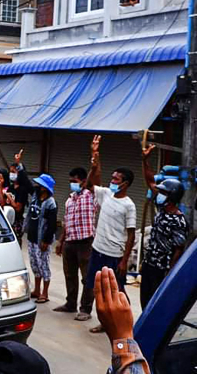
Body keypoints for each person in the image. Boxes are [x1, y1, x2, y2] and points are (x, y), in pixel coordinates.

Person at [85, 135, 136, 334]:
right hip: (98, 250)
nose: (112, 181)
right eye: (113, 178)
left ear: (126, 183)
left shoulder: (129, 205)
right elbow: (90, 184)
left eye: (116, 179)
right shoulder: (105, 194)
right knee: (99, 289)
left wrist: (124, 260)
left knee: (118, 290)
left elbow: (131, 235)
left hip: (114, 255)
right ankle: (105, 323)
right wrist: (94, 157)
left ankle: (127, 321)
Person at [139, 144, 188, 310]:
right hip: (149, 264)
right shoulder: (161, 208)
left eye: (164, 193)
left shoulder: (179, 221)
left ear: (172, 196)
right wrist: (145, 160)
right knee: (144, 301)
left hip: (162, 270)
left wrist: (169, 274)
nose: (159, 195)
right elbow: (151, 181)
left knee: (155, 306)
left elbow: (178, 249)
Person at [54, 167, 97, 321]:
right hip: (70, 242)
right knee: (70, 274)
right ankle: (70, 304)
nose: (72, 184)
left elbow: (95, 178)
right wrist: (61, 241)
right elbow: (67, 222)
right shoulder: (69, 199)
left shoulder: (90, 196)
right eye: (70, 181)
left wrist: (94, 160)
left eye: (75, 181)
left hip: (86, 243)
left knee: (87, 278)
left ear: (84, 182)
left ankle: (85, 309)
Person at [25, 173, 57, 304]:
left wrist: (46, 241)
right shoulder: (36, 198)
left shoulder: (50, 203)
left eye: (39, 184)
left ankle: (45, 293)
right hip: (32, 238)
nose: (36, 186)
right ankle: (37, 290)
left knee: (43, 265)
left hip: (42, 240)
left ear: (44, 187)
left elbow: (52, 225)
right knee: (35, 265)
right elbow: (25, 182)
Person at [5, 149, 33, 247]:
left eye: (13, 172)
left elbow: (18, 207)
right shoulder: (11, 187)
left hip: (17, 222)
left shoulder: (22, 189)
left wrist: (9, 198)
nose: (11, 174)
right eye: (10, 171)